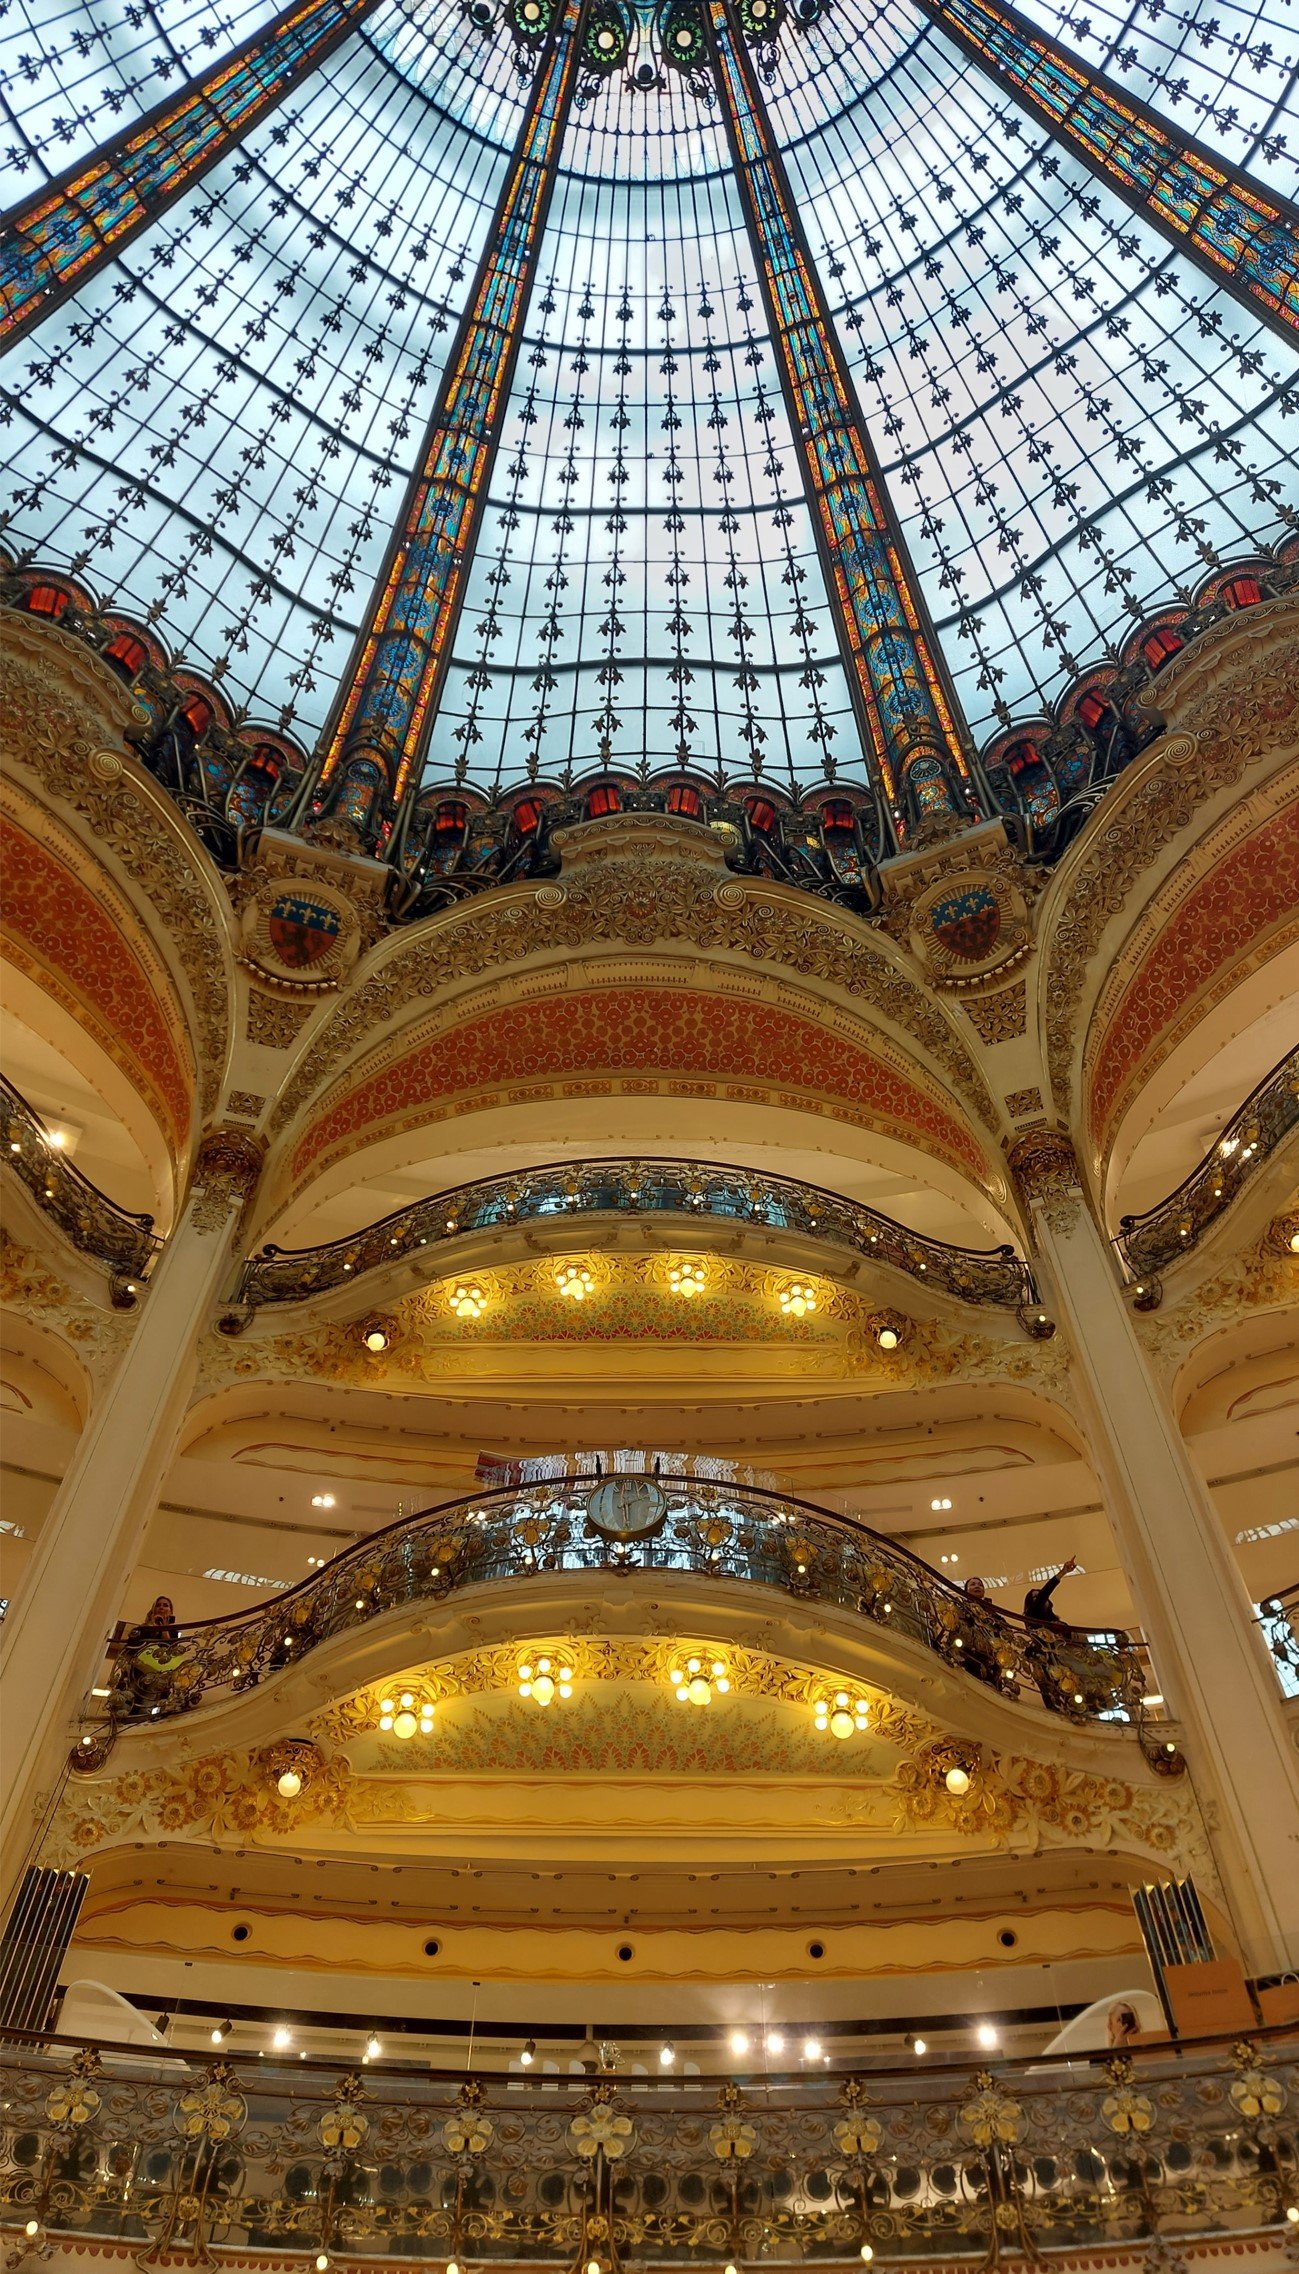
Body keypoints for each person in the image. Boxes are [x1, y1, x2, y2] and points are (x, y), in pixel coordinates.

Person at [1023, 1556, 1079, 1631]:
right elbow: (1045, 1593)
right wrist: (1063, 1572)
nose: (1039, 1598)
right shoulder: (1031, 1613)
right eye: (1035, 1597)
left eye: (1039, 1595)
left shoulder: (1051, 1617)